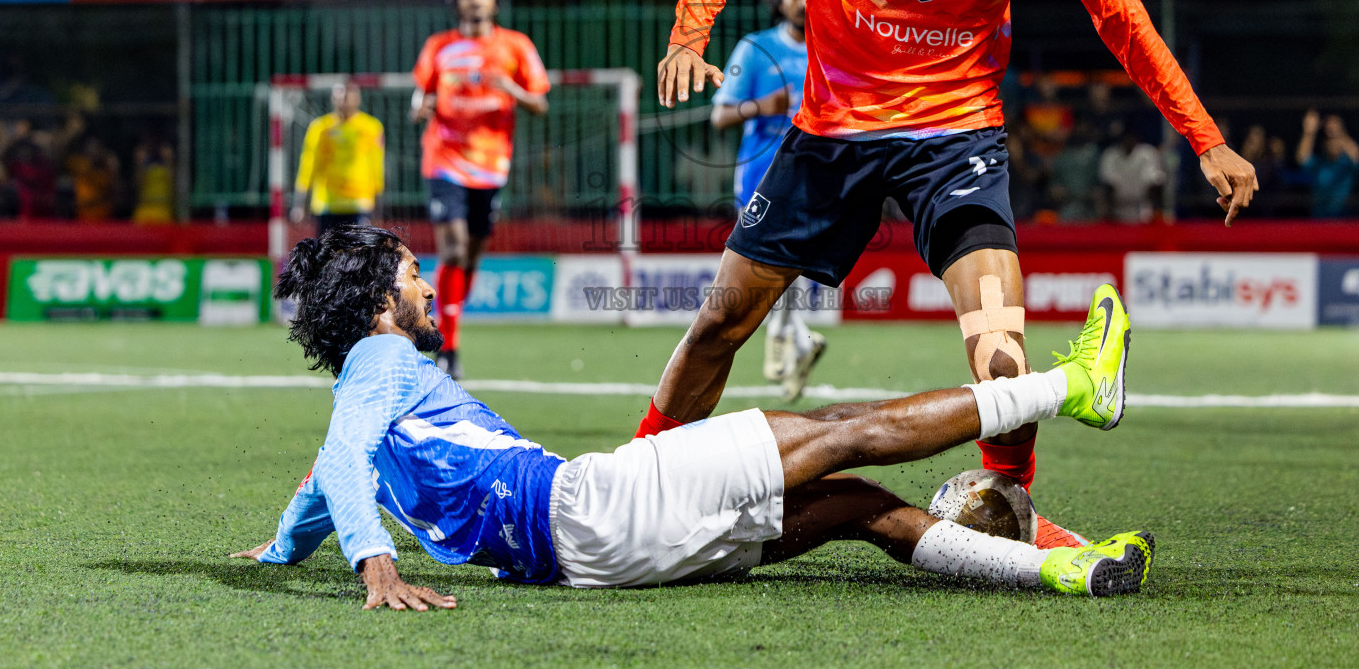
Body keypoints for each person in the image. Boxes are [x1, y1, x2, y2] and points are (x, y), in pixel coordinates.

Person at [647, 0, 1257, 549]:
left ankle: (1009, 502)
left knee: (999, 337)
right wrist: (689, 36)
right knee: (720, 323)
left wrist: (1206, 138)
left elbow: (1124, 20)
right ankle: (642, 476)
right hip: (830, 138)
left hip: (955, 140)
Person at [230, 225, 1152, 607]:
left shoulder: (365, 403)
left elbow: (323, 481)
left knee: (858, 508)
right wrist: (378, 566)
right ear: (380, 305)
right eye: (412, 275)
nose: (427, 286)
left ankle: (1063, 571)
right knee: (845, 429)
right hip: (593, 504)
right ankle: (1072, 386)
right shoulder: (383, 359)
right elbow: (339, 467)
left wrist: (278, 554)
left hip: (593, 565)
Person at [412, 0, 549, 379]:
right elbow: (421, 95)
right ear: (456, 4)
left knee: (471, 256)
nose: (475, 1)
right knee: (453, 249)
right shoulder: (439, 46)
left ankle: (450, 322)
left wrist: (511, 88)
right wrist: (418, 108)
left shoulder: (515, 45)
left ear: (494, 3)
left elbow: (540, 103)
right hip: (444, 159)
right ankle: (448, 345)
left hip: (491, 166)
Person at [709, 0, 826, 400]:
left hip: (817, 173)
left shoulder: (833, 49)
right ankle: (794, 337)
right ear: (779, 0)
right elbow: (721, 115)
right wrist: (762, 106)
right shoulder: (755, 49)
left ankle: (788, 335)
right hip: (760, 176)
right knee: (764, 264)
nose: (804, 2)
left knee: (791, 262)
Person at [290, 83, 386, 237]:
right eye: (340, 96)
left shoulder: (371, 127)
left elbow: (377, 167)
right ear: (333, 99)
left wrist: (378, 206)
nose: (344, 101)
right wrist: (300, 204)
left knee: (358, 250)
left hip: (359, 203)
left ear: (358, 99)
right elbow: (308, 165)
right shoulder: (320, 128)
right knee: (328, 249)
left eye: (348, 97)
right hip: (327, 203)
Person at [1296, 110, 1359, 219]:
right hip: (1319, 220)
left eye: (1336, 139)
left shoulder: (1348, 163)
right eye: (1329, 139)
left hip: (1346, 220)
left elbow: (1358, 157)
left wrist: (1338, 131)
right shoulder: (1318, 164)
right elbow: (1302, 158)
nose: (1333, 142)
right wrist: (1309, 132)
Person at [1099, 129, 1167, 223]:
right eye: (1125, 138)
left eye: (1131, 138)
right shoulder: (1111, 155)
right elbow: (1107, 182)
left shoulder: (1147, 153)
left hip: (1143, 208)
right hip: (1117, 208)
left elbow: (1156, 180)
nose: (1128, 141)